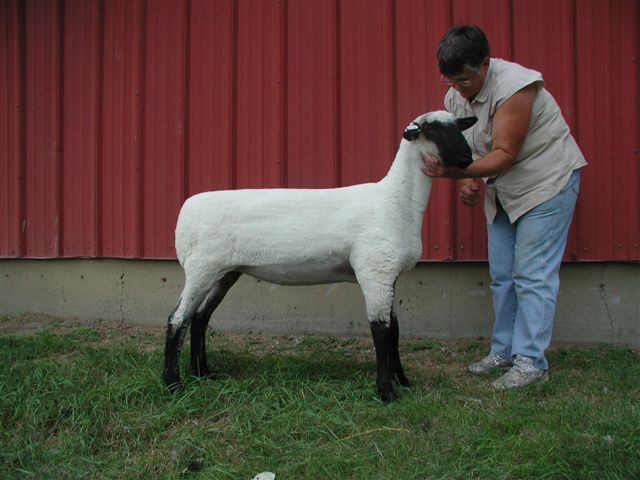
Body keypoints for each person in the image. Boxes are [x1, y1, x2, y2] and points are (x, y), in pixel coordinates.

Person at [422, 25, 587, 389]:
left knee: (533, 274)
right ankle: (504, 351)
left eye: (464, 79)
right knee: (502, 275)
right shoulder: (455, 98)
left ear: (484, 64)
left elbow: (504, 155)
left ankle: (531, 361)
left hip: (546, 183)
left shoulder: (515, 87)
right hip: (505, 191)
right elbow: (470, 153)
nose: (456, 88)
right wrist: (466, 182)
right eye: (449, 81)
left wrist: (450, 174)